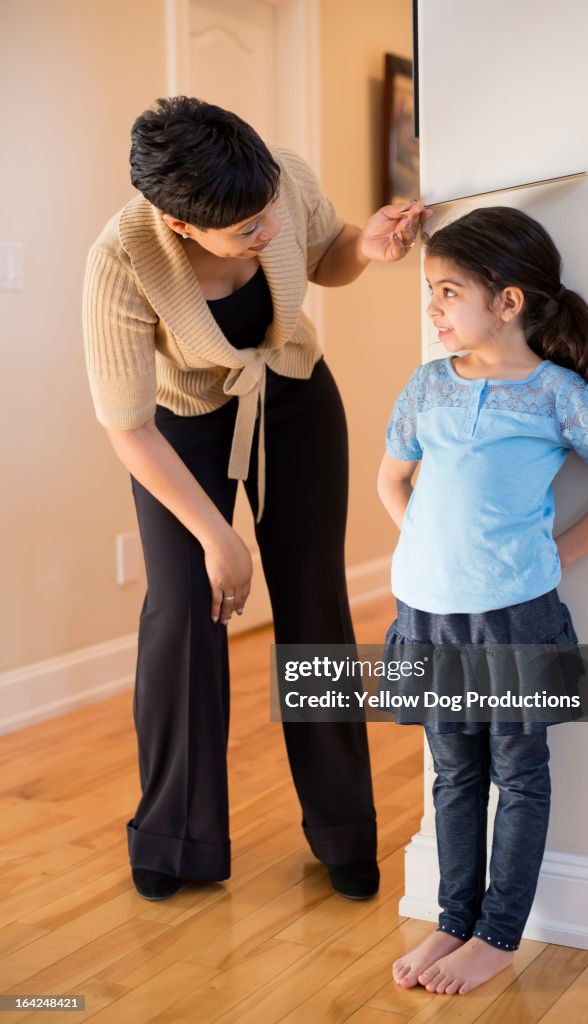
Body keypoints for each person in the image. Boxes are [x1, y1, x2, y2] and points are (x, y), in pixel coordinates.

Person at [82, 96, 430, 902]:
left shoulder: (280, 178)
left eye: (267, 210)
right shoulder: (121, 258)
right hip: (179, 425)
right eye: (243, 231)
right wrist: (217, 538)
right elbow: (129, 429)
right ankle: (175, 837)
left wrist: (366, 248)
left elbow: (326, 252)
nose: (265, 231)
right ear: (178, 223)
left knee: (315, 605)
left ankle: (343, 828)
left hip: (296, 395)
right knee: (181, 610)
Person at [377, 206, 588, 995]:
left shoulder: (557, 395)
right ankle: (452, 923)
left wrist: (553, 555)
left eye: (449, 290)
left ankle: (499, 934)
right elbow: (391, 481)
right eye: (429, 289)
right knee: (452, 776)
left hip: (513, 615)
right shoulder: (426, 385)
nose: (432, 307)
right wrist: (427, 548)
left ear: (509, 301)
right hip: (426, 614)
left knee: (518, 772)